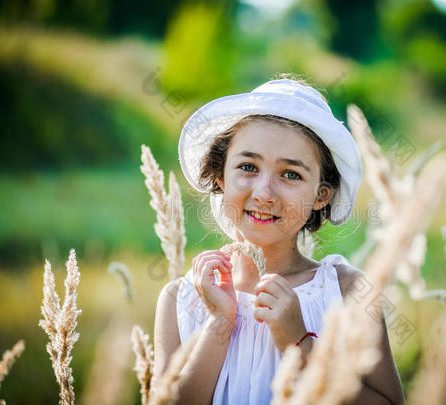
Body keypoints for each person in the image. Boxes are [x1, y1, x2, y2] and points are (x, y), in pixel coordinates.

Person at [153, 75, 405, 405]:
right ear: (220, 176)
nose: (264, 193)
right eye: (247, 166)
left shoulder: (345, 292)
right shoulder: (181, 298)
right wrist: (219, 323)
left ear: (321, 195)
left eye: (290, 174)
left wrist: (299, 343)